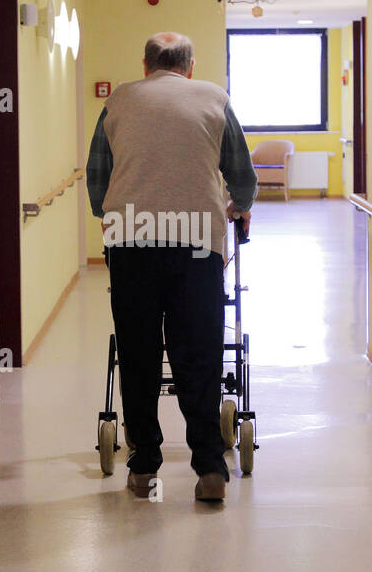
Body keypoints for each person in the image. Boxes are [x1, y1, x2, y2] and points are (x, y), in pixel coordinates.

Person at [86, 32, 257, 503]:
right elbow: (241, 175)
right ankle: (208, 468)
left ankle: (143, 467)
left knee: (138, 350)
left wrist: (109, 214)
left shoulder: (119, 101)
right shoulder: (214, 99)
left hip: (131, 241)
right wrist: (239, 206)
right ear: (190, 66)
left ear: (146, 66)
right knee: (198, 351)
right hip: (198, 244)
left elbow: (98, 175)